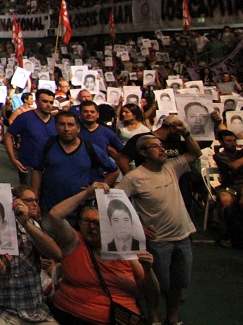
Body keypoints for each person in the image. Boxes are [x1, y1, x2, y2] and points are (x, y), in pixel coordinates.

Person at [117, 117, 201, 324]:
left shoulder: (172, 166)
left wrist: (186, 133)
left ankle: (172, 319)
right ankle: (153, 317)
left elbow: (194, 153)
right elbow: (115, 206)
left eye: (161, 146)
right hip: (158, 241)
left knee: (177, 284)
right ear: (143, 153)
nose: (161, 149)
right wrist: (137, 227)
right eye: (154, 147)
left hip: (182, 236)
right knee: (154, 285)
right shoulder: (134, 178)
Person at [48, 183, 158, 325]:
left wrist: (148, 270)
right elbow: (55, 215)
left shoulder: (126, 249)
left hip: (120, 316)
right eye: (86, 221)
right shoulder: (74, 242)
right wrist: (87, 193)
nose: (91, 227)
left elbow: (151, 291)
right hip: (72, 313)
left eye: (97, 223)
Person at [32, 111, 119, 213]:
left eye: (70, 125)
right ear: (56, 127)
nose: (66, 129)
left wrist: (96, 190)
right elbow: (37, 171)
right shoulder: (46, 144)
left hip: (80, 209)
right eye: (62, 124)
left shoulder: (89, 148)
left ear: (78, 128)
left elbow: (114, 171)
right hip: (50, 206)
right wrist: (34, 200)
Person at [5, 89, 57, 185]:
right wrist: (13, 159)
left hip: (50, 166)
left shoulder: (56, 122)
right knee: (29, 196)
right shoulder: (24, 118)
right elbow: (8, 136)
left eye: (51, 102)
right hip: (28, 166)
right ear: (36, 102)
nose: (48, 105)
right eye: (45, 101)